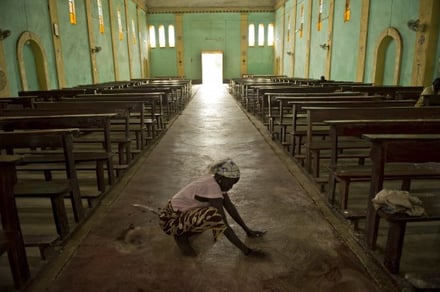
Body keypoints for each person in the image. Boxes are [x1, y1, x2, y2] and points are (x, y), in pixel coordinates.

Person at [158, 158, 267, 257]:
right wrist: (247, 251)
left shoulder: (217, 182)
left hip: (179, 216)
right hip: (170, 220)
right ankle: (180, 237)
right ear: (220, 178)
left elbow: (230, 207)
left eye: (234, 184)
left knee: (210, 215)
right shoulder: (212, 186)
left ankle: (184, 230)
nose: (231, 187)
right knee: (213, 216)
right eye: (231, 183)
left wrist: (247, 230)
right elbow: (222, 224)